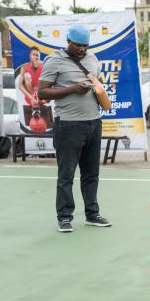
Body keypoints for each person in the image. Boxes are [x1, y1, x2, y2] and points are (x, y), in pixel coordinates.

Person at [36, 24, 111, 232]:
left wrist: (97, 89)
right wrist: (72, 89)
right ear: (68, 41)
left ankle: (92, 213)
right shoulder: (54, 60)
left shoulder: (92, 59)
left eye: (85, 46)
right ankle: (65, 217)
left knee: (91, 173)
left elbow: (98, 83)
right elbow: (42, 93)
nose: (82, 50)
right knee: (66, 174)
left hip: (94, 123)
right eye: (78, 45)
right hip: (68, 125)